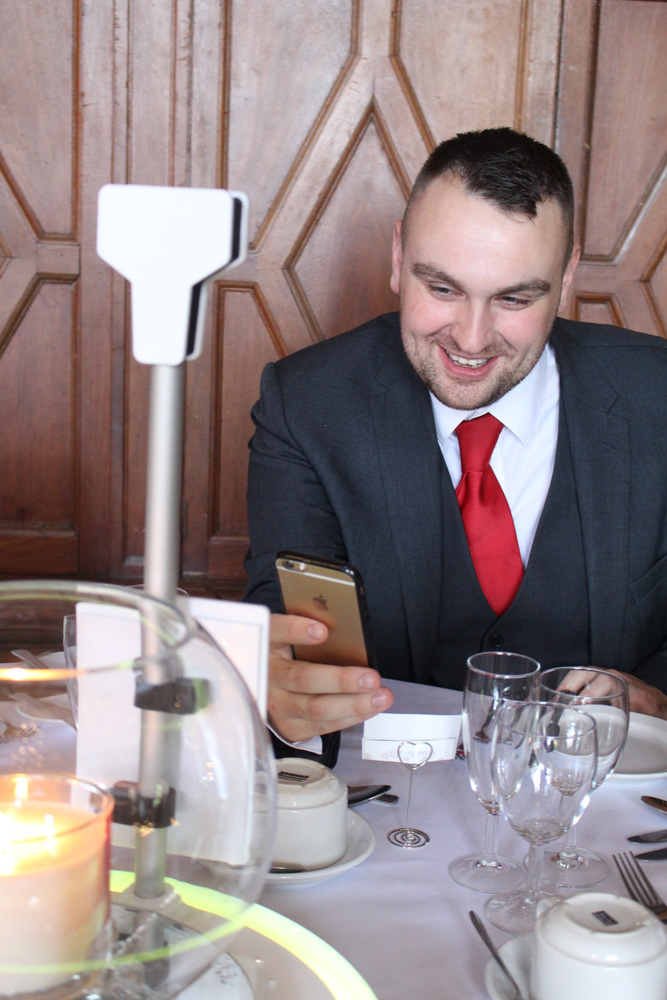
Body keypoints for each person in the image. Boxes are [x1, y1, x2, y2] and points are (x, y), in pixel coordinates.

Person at [244, 127, 667, 763]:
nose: (471, 339)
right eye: (442, 289)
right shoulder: (305, 404)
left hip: (601, 804)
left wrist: (654, 698)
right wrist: (276, 684)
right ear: (397, 255)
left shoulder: (657, 393)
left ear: (568, 273)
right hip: (385, 801)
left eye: (514, 298)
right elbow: (286, 624)